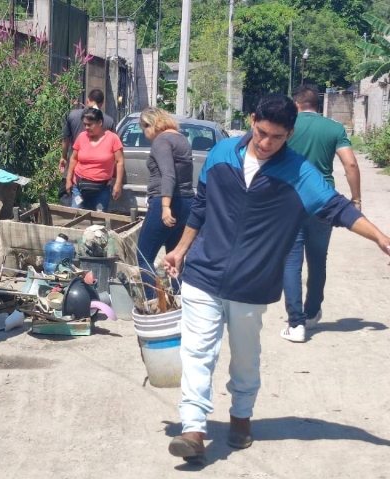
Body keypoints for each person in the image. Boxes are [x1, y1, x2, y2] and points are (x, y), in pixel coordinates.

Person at [163, 93, 390, 464]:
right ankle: (193, 429)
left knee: (245, 358)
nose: (266, 143)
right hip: (204, 273)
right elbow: (201, 207)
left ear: (290, 134)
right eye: (262, 132)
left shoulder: (300, 173)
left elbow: (338, 209)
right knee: (197, 352)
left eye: (277, 137)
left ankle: (241, 417)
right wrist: (181, 250)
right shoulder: (221, 154)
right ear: (253, 120)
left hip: (252, 283)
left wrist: (381, 237)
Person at [280, 85, 362, 343]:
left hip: (289, 200)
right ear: (318, 104)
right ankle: (312, 312)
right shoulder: (334, 128)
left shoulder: (287, 125)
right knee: (318, 259)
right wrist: (356, 199)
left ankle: (296, 324)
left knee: (291, 262)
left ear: (297, 105)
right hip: (323, 201)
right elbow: (350, 163)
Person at [136, 107, 194, 300]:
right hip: (186, 202)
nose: (145, 135)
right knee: (174, 257)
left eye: (144, 128)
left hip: (167, 201)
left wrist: (165, 206)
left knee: (143, 256)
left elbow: (168, 174)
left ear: (151, 123)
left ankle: (153, 301)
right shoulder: (181, 138)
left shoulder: (162, 141)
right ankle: (180, 300)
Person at [58, 89, 116, 206]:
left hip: (75, 169)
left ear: (87, 100)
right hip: (97, 176)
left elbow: (66, 139)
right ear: (102, 103)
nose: (86, 127)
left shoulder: (73, 115)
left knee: (70, 205)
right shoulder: (108, 121)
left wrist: (63, 157)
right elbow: (114, 154)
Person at [65, 108, 124, 211]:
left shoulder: (112, 138)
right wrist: (68, 179)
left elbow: (120, 162)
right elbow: (73, 159)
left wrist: (118, 184)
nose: (86, 128)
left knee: (99, 220)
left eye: (90, 125)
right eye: (85, 124)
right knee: (76, 216)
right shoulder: (82, 137)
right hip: (79, 188)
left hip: (101, 189)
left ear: (100, 122)